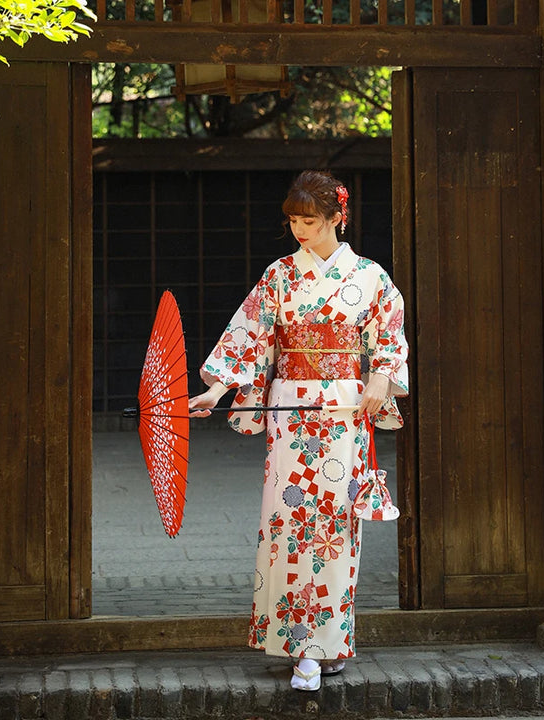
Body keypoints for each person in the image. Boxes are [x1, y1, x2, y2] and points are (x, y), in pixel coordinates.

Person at [189, 170, 408, 692]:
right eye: (293, 221)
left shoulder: (371, 278)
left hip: (343, 414)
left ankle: (326, 643)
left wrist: (379, 377)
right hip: (291, 416)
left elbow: (389, 339)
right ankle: (299, 646)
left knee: (335, 530)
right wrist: (216, 391)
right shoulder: (280, 276)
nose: (300, 230)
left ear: (337, 218)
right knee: (290, 523)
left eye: (310, 220)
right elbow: (249, 335)